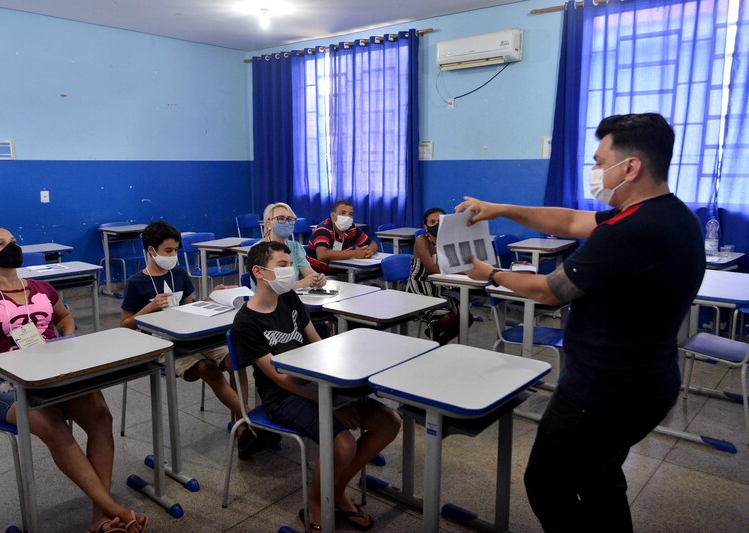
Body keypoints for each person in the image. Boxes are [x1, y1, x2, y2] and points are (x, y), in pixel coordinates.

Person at [457, 113, 705, 532]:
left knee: (546, 483)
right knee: (598, 479)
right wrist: (500, 209)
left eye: (599, 161)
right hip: (649, 382)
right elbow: (571, 221)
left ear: (630, 167)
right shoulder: (674, 216)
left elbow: (549, 291)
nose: (594, 171)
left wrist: (492, 275)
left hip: (601, 394)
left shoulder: (629, 232)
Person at [0, 227, 148, 533]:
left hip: (57, 374)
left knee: (100, 416)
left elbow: (64, 317)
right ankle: (115, 510)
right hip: (7, 385)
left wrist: (67, 336)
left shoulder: (41, 287)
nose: (12, 247)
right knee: (54, 427)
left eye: (13, 241)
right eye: (1, 244)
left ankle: (101, 517)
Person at [231, 241, 401, 531]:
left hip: (319, 383)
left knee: (389, 421)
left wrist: (339, 392)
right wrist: (330, 405)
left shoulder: (289, 299)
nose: (290, 270)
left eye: (290, 264)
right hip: (283, 397)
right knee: (343, 443)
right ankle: (316, 502)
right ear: (259, 272)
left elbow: (319, 345)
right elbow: (279, 378)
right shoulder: (245, 322)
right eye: (282, 266)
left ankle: (336, 489)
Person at [120, 220, 277, 459]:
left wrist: (214, 298)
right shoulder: (136, 283)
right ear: (152, 250)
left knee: (236, 359)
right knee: (207, 370)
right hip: (163, 345)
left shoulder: (179, 273)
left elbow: (191, 308)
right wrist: (149, 308)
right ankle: (250, 422)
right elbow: (125, 324)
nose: (173, 256)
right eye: (168, 251)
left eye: (175, 250)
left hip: (193, 336)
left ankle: (242, 429)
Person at [407, 207, 464, 345]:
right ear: (425, 226)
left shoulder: (447, 241)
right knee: (447, 318)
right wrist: (462, 271)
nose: (437, 225)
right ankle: (436, 341)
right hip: (420, 287)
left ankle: (438, 343)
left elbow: (458, 263)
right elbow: (431, 268)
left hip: (438, 287)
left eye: (440, 221)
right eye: (432, 222)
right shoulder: (422, 240)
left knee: (466, 318)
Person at [251, 202, 326, 290]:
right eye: (281, 218)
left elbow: (309, 273)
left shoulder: (295, 247)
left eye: (290, 219)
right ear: (269, 224)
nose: (287, 222)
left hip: (293, 295)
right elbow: (264, 287)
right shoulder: (258, 249)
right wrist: (301, 283)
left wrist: (318, 279)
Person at [305, 200, 379, 276]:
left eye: (350, 214)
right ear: (333, 216)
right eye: (343, 213)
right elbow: (322, 255)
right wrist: (355, 253)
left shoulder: (352, 229)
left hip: (342, 271)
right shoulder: (323, 229)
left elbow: (373, 244)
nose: (347, 217)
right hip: (318, 274)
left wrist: (369, 251)